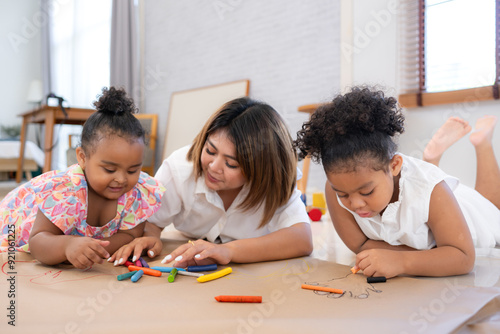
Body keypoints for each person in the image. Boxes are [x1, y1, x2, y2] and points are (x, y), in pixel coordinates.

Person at [294, 86, 500, 278]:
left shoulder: (432, 190)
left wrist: (403, 261)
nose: (355, 204)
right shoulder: (334, 190)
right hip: (425, 202)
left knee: (491, 206)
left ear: (394, 166)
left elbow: (463, 257)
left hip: (465, 212)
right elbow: (361, 244)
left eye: (366, 192)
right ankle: (432, 160)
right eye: (343, 195)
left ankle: (482, 143)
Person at [110, 97, 313, 267]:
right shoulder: (179, 168)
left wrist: (228, 251)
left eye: (231, 164)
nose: (214, 166)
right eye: (210, 151)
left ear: (260, 170)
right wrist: (151, 237)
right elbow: (151, 223)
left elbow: (301, 239)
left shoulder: (276, 178)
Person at [0, 87, 165, 269]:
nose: (121, 179)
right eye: (110, 169)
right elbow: (38, 242)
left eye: (133, 170)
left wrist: (97, 249)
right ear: (83, 158)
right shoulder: (66, 191)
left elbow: (131, 235)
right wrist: (66, 245)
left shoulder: (136, 192)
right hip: (19, 223)